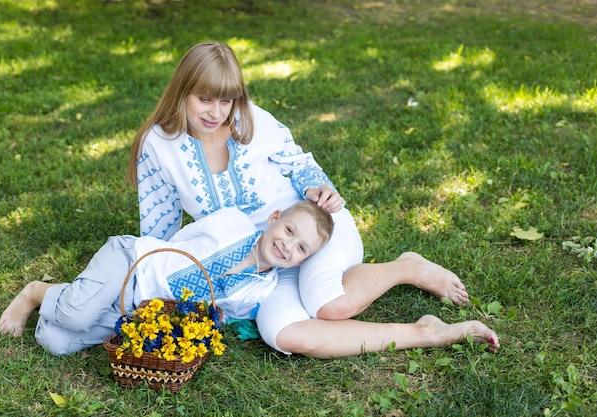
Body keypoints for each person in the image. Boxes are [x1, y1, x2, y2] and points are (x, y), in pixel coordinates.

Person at [125, 41, 500, 358]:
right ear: (181, 91)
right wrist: (154, 285)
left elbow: (300, 163)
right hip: (261, 267)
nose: (217, 112)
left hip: (307, 230)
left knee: (328, 305)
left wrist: (315, 188)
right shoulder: (158, 145)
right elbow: (160, 226)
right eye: (204, 99)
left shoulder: (251, 120)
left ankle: (407, 267)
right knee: (287, 334)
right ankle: (426, 332)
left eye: (226, 100)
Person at [0, 200, 335, 355]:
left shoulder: (260, 289)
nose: (288, 245)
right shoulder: (233, 222)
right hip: (133, 262)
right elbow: (185, 238)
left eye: (301, 248)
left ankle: (72, 299)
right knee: (76, 313)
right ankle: (34, 293)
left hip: (140, 311)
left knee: (55, 343)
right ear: (274, 218)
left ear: (301, 261)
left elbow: (223, 315)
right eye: (289, 230)